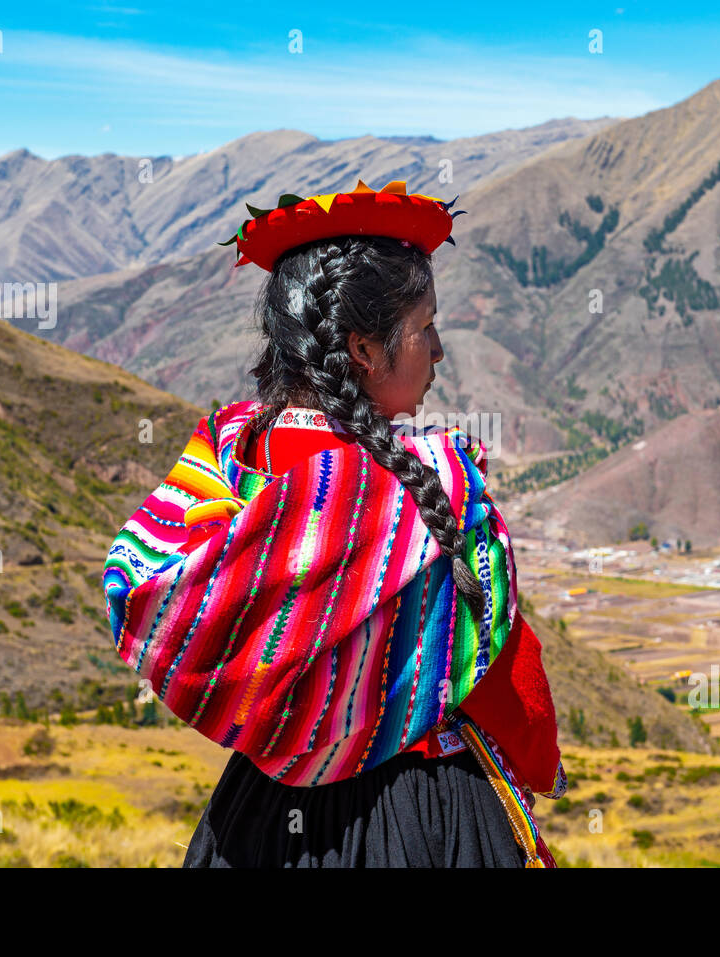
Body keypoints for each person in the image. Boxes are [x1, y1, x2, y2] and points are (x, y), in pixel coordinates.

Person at [102, 179, 565, 867]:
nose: (437, 349)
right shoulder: (431, 490)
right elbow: (508, 685)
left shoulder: (225, 468)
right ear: (364, 350)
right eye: (426, 326)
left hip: (256, 822)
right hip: (422, 815)